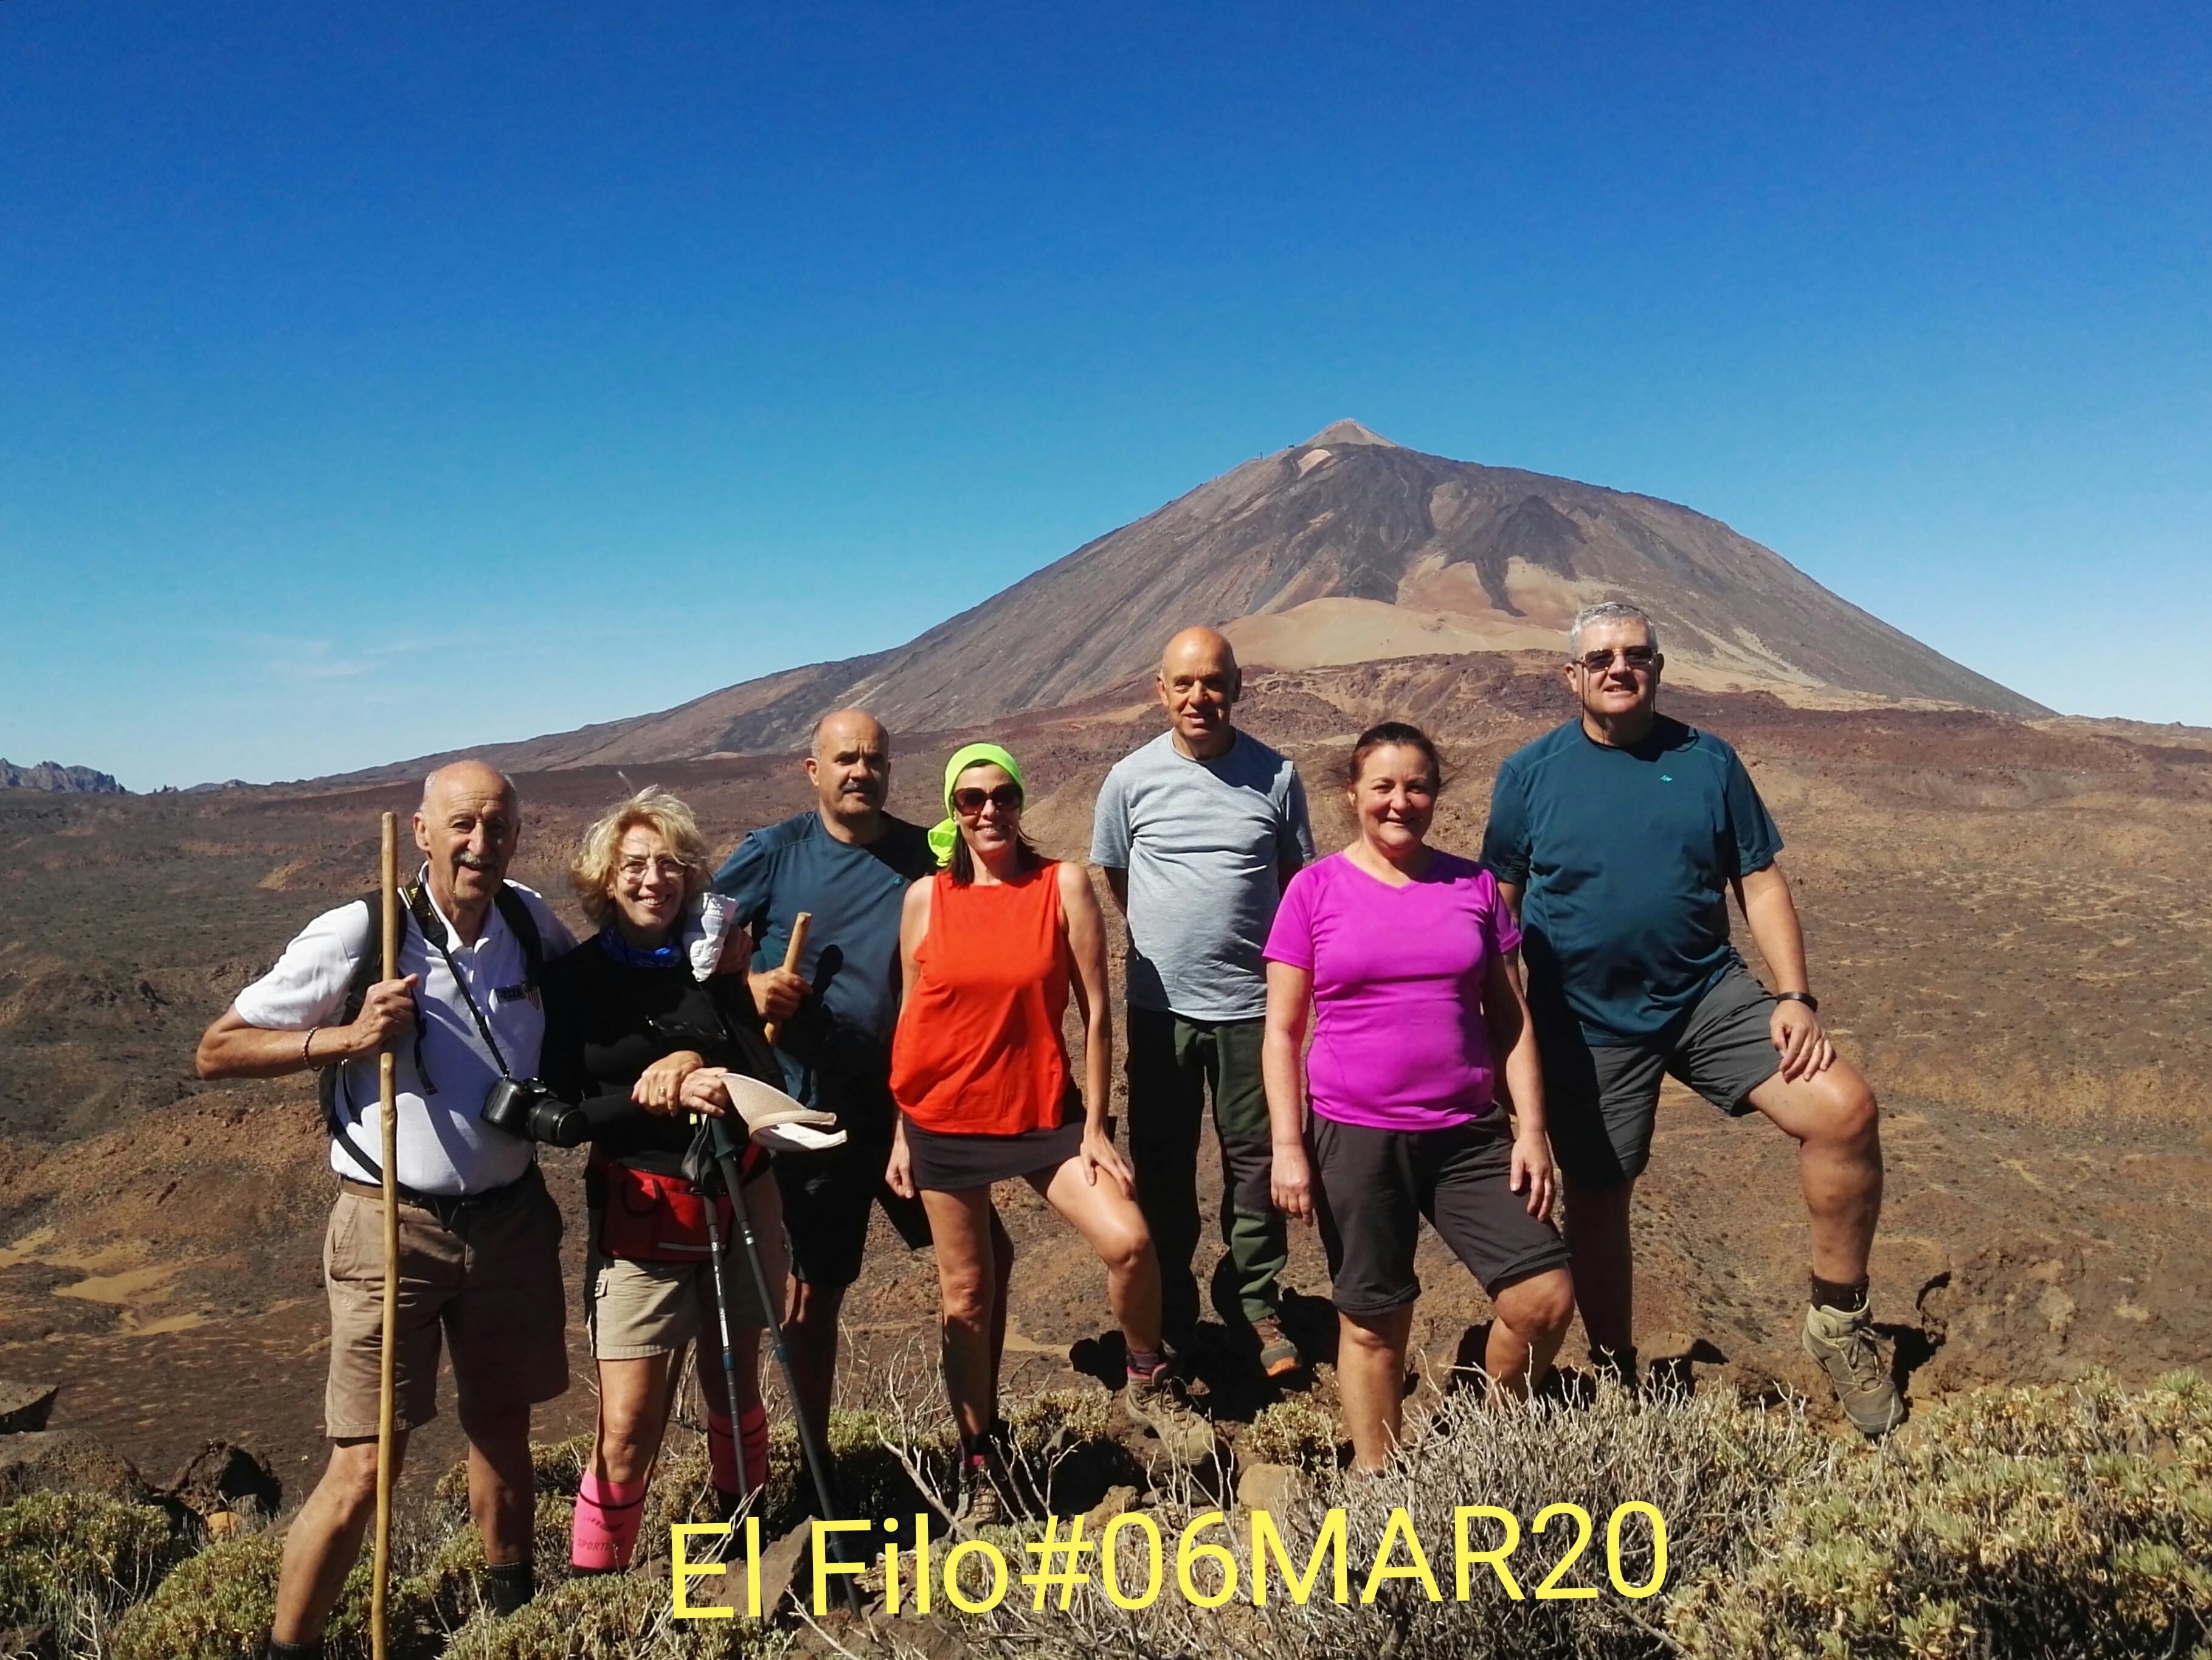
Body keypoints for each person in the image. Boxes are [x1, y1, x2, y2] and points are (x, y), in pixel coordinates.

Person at [1480, 599, 1901, 1436]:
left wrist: (1793, 994)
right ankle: (1613, 1367)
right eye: (1599, 657)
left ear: (1658, 667)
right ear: (1571, 675)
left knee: (1844, 1111)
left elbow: (1759, 880)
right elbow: (1499, 907)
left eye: (1635, 654)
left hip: (1706, 995)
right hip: (1582, 1017)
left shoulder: (1707, 760)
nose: (1618, 668)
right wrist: (1502, 1034)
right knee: (1599, 1195)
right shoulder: (1529, 774)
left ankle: (1836, 1323)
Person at [194, 761, 577, 1656]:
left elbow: (601, 1000)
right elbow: (217, 1049)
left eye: (497, 825)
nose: (479, 842)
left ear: (518, 835)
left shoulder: (528, 922)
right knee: (366, 1463)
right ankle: (288, 1648)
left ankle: (513, 1624)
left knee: (504, 1430)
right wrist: (349, 1036)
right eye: (462, 824)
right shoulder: (364, 930)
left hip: (510, 1221)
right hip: (390, 1226)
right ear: (421, 831)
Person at [889, 743, 1214, 1523]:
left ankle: (1145, 1377)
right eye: (970, 799)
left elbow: (1097, 1012)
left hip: (1043, 1112)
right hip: (943, 1119)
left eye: (1002, 795)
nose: (988, 811)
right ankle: (978, 1457)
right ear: (952, 808)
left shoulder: (1059, 885)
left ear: (1019, 799)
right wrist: (902, 1130)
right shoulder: (926, 898)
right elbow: (912, 1015)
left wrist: (1095, 1126)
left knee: (1129, 1241)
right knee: (967, 1297)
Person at [1263, 723, 1575, 1469]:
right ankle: (1378, 1480)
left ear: (1435, 795)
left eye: (1416, 786)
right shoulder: (1313, 890)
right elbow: (1280, 1032)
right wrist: (1287, 1147)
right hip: (1355, 1135)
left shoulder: (1473, 888)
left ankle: (1489, 1438)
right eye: (1382, 786)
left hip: (1468, 1133)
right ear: (1352, 795)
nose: (1399, 802)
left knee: (1542, 1298)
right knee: (1375, 1320)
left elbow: (1511, 1020)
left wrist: (1531, 1129)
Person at [539, 787, 794, 1572]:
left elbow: (762, 1071)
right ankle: (598, 1585)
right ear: (604, 879)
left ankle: (744, 1548)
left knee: (734, 1387)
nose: (653, 879)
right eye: (634, 866)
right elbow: (562, 1108)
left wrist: (693, 1060)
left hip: (738, 1197)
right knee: (626, 1423)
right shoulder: (575, 980)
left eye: (669, 865)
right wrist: (647, 1094)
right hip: (641, 1215)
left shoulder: (710, 966)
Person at [1090, 626, 1316, 1378]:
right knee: (1163, 1161)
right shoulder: (1129, 780)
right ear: (1160, 691)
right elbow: (1117, 877)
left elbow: (1294, 882)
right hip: (1161, 1011)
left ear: (1236, 686)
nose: (1198, 697)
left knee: (1254, 1163)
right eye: (1183, 683)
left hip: (1252, 1010)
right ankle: (1172, 1307)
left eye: (1213, 682)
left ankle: (1252, 1299)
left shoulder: (1275, 776)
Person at [710, 710, 936, 1441]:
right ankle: (815, 1465)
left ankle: (977, 1443)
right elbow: (692, 950)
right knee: (815, 1292)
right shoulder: (773, 854)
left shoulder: (923, 854)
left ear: (889, 769)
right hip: (810, 1118)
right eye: (845, 759)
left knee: (980, 1260)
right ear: (813, 771)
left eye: (873, 759)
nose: (860, 771)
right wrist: (749, 988)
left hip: (907, 1109)